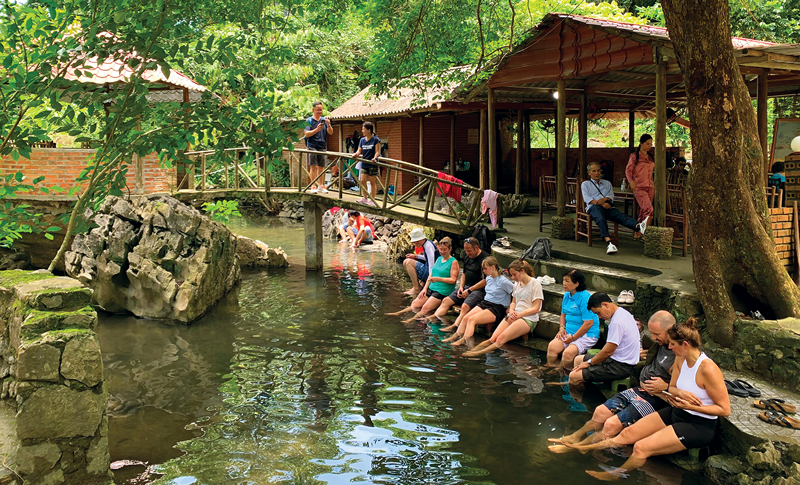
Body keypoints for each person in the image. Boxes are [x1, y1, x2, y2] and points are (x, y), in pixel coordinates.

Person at [565, 317, 730, 481]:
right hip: (677, 411)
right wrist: (680, 394)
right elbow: (671, 388)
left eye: (673, 344)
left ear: (685, 345)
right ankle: (581, 447)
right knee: (628, 433)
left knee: (641, 447)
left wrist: (692, 407)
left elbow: (724, 409)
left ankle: (615, 474)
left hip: (698, 424)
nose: (670, 347)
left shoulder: (708, 369)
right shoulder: (681, 359)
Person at [549, 311, 676, 451]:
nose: (653, 337)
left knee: (611, 424)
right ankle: (575, 437)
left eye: (656, 334)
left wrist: (666, 386)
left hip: (657, 399)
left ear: (670, 330)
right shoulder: (661, 345)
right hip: (641, 390)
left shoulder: (679, 354)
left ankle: (578, 447)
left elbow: (690, 390)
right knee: (600, 411)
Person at [462, 260, 543, 357]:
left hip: (527, 318)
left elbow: (536, 308)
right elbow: (514, 302)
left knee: (500, 339)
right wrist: (512, 310)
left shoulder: (535, 284)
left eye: (514, 275)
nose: (513, 277)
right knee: (492, 338)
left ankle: (478, 353)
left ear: (522, 271)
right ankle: (473, 350)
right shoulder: (517, 284)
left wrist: (518, 315)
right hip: (514, 314)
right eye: (511, 275)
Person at [569, 292, 641, 387]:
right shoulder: (622, 312)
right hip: (616, 359)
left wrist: (589, 363)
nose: (599, 317)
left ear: (605, 305)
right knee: (578, 360)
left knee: (573, 375)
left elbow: (608, 352)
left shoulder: (617, 322)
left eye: (598, 313)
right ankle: (584, 383)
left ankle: (581, 397)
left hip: (621, 366)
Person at [444, 257, 514, 346]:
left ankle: (464, 341)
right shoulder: (489, 278)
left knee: (472, 320)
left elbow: (515, 293)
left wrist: (511, 307)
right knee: (466, 317)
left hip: (497, 307)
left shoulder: (503, 281)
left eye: (485, 268)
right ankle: (455, 336)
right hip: (485, 302)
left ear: (493, 267)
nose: (483, 271)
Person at [582, 162, 647, 255]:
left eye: (598, 170)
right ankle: (609, 242)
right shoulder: (585, 184)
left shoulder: (607, 183)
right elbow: (587, 198)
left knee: (619, 215)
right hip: (593, 207)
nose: (597, 173)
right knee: (600, 218)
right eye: (594, 171)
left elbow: (611, 196)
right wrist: (600, 203)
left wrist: (605, 200)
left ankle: (638, 226)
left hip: (607, 206)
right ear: (589, 173)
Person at [544, 269, 599, 371]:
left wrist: (573, 338)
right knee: (552, 347)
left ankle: (560, 370)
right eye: (564, 280)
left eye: (567, 281)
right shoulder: (567, 295)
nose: (564, 283)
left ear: (577, 283)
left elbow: (588, 323)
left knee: (568, 353)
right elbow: (563, 315)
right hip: (569, 332)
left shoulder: (585, 298)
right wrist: (561, 328)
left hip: (587, 334)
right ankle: (550, 365)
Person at [396, 237, 459, 322]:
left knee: (425, 308)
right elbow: (431, 275)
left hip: (442, 291)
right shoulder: (439, 259)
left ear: (450, 249)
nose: (442, 252)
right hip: (431, 288)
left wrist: (438, 279)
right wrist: (424, 289)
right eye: (440, 249)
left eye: (445, 250)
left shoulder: (453, 262)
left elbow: (453, 280)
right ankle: (398, 313)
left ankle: (411, 320)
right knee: (415, 304)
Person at [433, 237, 487, 324]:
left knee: (465, 306)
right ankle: (433, 320)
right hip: (466, 287)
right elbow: (464, 274)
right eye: (465, 251)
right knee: (446, 301)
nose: (467, 253)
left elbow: (486, 280)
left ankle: (454, 327)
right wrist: (461, 287)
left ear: (476, 248)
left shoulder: (485, 259)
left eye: (469, 251)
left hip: (478, 290)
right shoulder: (467, 257)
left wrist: (469, 290)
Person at [303, 101, 334, 194]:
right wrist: (317, 129)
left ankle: (321, 185)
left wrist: (328, 124)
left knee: (321, 167)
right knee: (313, 166)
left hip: (322, 145)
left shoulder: (324, 120)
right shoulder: (309, 121)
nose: (320, 111)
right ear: (313, 110)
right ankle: (313, 185)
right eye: (318, 110)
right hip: (312, 145)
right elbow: (306, 134)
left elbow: (331, 132)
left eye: (321, 109)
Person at [626, 134, 654, 229]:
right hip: (639, 186)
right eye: (647, 144)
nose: (649, 146)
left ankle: (638, 230)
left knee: (644, 210)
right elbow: (628, 170)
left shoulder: (650, 157)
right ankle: (645, 231)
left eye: (650, 144)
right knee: (648, 209)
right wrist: (631, 181)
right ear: (641, 143)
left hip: (650, 186)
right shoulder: (635, 156)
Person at [402, 227, 439, 296]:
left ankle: (416, 289)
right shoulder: (427, 244)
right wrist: (415, 256)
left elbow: (432, 265)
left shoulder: (428, 246)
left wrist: (429, 282)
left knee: (409, 263)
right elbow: (427, 258)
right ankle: (417, 286)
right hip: (429, 270)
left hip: (432, 273)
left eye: (415, 242)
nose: (414, 244)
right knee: (405, 262)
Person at [352, 121, 380, 205]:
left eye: (363, 129)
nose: (362, 131)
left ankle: (372, 200)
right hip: (364, 163)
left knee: (372, 182)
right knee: (362, 180)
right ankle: (365, 197)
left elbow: (377, 151)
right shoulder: (362, 140)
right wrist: (356, 154)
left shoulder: (375, 140)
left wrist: (375, 158)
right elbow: (359, 150)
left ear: (369, 130)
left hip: (372, 164)